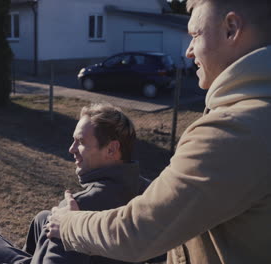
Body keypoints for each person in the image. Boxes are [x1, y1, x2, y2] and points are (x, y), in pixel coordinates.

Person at [46, 0, 271, 263]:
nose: (188, 51)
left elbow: (137, 232)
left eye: (195, 35)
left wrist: (68, 223)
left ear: (231, 29)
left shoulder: (234, 130)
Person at [0, 104, 162, 264]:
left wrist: (68, 228)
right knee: (42, 218)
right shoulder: (151, 194)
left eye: (81, 142)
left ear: (111, 149)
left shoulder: (77, 207)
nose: (71, 149)